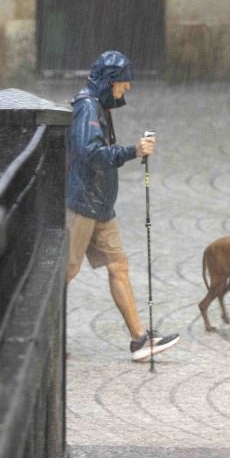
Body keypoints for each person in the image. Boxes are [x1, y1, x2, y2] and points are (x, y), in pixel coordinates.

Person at [65, 50, 180, 362]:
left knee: (118, 266)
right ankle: (43, 338)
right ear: (109, 81)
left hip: (100, 204)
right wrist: (132, 150)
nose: (126, 89)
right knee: (66, 271)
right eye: (123, 83)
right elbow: (91, 153)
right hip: (84, 204)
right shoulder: (88, 106)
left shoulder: (98, 105)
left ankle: (139, 339)